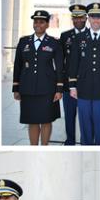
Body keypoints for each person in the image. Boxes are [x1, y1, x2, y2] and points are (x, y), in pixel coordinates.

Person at [68, 3, 100, 146]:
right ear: (88, 18)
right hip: (83, 88)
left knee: (99, 125)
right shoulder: (79, 38)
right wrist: (72, 86)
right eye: (93, 17)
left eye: (98, 17)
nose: (96, 20)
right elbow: (74, 63)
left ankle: (98, 146)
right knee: (84, 125)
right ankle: (85, 146)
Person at [13, 10, 63, 145]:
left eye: (41, 22)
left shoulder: (53, 42)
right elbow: (18, 65)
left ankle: (44, 146)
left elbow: (59, 67)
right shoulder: (24, 42)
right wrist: (16, 88)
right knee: (32, 120)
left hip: (47, 88)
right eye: (35, 22)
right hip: (27, 88)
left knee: (47, 120)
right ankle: (33, 146)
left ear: (47, 24)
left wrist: (59, 89)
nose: (37, 24)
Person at [60, 4, 87, 145]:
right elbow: (60, 61)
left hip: (85, 84)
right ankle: (70, 140)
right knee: (69, 115)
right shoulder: (65, 36)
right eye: (75, 18)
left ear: (85, 18)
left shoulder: (92, 35)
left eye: (80, 17)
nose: (77, 20)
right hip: (68, 84)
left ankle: (85, 141)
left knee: (85, 117)